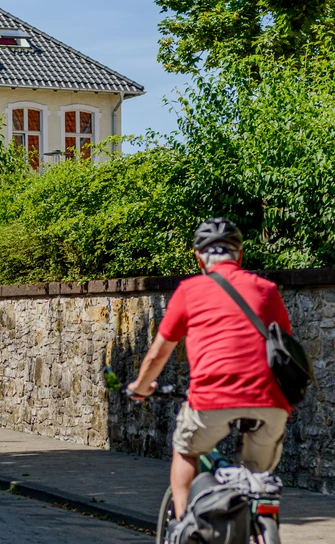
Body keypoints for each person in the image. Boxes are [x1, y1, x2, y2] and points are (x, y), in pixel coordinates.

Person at [127, 217, 293, 521]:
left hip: (212, 398)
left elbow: (157, 355)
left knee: (186, 450)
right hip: (269, 401)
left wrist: (140, 387)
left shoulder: (190, 290)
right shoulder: (267, 289)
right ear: (239, 254)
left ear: (198, 256)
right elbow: (284, 344)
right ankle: (261, 525)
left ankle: (183, 524)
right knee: (258, 482)